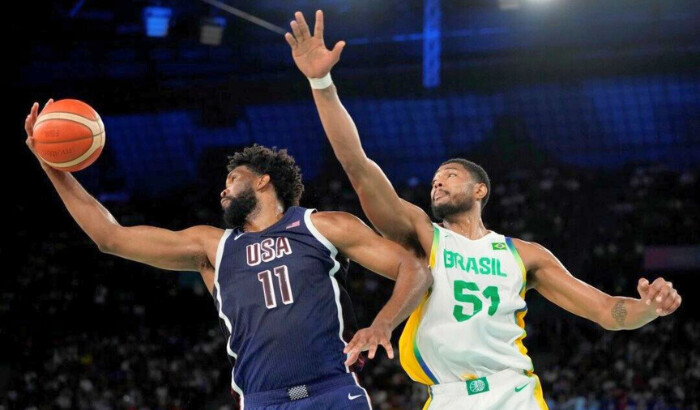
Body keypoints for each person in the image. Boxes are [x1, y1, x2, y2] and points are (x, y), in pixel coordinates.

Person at [285, 11, 682, 410]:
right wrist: (321, 82)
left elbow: (605, 311)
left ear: (480, 190)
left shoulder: (526, 255)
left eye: (450, 175)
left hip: (513, 393)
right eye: (435, 178)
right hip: (447, 397)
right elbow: (357, 165)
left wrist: (649, 310)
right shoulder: (424, 235)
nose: (437, 181)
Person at [24, 100, 432, 409]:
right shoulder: (212, 246)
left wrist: (384, 324)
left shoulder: (323, 225)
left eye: (233, 179)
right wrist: (54, 170)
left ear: (263, 180)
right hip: (261, 400)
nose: (223, 189)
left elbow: (413, 267)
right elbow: (110, 237)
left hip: (332, 392)